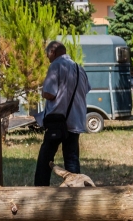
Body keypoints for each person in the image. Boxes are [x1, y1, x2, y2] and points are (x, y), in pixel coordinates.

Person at [34, 41, 91, 186]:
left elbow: (49, 93)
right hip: (75, 121)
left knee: (46, 157)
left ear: (52, 52)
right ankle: (76, 191)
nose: (48, 58)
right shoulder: (79, 69)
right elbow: (86, 90)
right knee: (72, 158)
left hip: (57, 122)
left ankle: (40, 189)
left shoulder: (56, 65)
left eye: (48, 55)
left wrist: (43, 91)